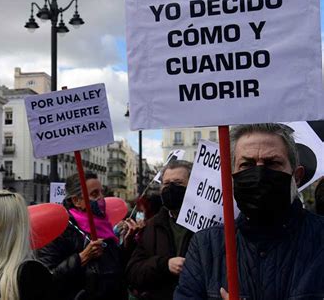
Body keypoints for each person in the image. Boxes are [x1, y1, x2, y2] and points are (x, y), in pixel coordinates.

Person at [175, 123, 324, 299]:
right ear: (230, 177)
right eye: (247, 164)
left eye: (272, 163)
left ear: (297, 177)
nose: (259, 173)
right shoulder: (205, 246)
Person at [37, 171, 128, 300]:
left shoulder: (105, 225)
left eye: (102, 192)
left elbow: (116, 270)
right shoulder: (59, 230)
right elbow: (47, 278)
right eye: (94, 194)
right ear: (76, 201)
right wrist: (81, 257)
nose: (101, 198)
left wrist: (128, 243)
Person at [126, 160, 194, 300]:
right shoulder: (151, 226)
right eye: (167, 183)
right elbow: (133, 273)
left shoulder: (209, 225)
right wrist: (164, 265)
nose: (171, 188)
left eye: (178, 183)